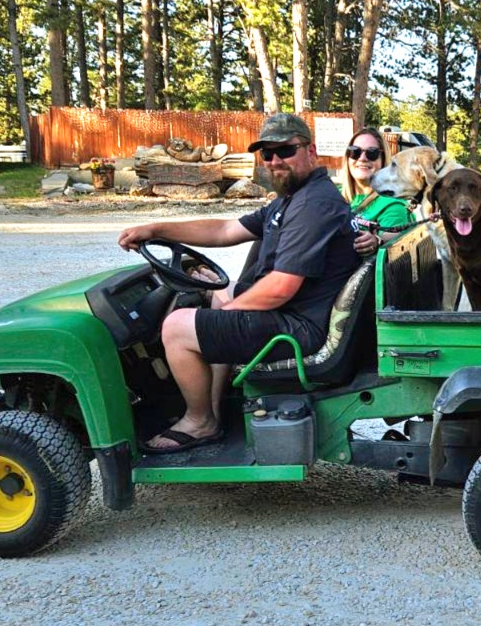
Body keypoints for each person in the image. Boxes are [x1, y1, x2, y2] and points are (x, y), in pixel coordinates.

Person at [117, 112, 360, 453]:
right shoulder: (292, 199)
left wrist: (230, 311)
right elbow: (226, 230)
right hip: (297, 312)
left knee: (175, 326)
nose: (276, 160)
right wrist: (157, 229)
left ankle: (200, 421)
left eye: (285, 151)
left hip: (298, 328)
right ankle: (216, 410)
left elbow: (279, 288)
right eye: (268, 153)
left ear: (311, 151)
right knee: (219, 296)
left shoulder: (313, 205)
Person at [339, 127, 415, 257]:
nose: (362, 158)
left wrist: (377, 241)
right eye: (355, 152)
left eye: (372, 153)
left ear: (383, 159)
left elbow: (392, 249)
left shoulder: (393, 206)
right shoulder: (333, 194)